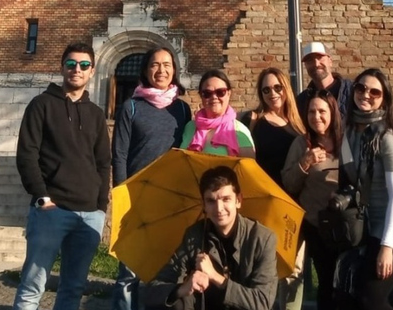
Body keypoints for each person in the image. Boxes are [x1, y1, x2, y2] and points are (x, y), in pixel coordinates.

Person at [13, 42, 111, 310]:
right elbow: (27, 155)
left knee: (74, 288)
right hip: (51, 209)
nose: (76, 70)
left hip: (89, 214)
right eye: (70, 64)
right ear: (62, 68)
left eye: (83, 65)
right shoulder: (41, 105)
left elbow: (103, 162)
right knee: (33, 283)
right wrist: (42, 197)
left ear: (92, 71)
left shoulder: (96, 114)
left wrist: (101, 207)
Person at [111, 47, 192, 310]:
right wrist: (122, 193)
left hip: (170, 198)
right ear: (146, 70)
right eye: (155, 65)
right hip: (136, 196)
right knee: (129, 271)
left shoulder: (182, 110)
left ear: (174, 70)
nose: (161, 70)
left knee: (167, 269)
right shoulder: (131, 106)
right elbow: (120, 153)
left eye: (167, 65)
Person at [147, 166, 278, 310]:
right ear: (204, 205)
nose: (219, 208)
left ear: (238, 200)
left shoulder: (262, 238)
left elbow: (262, 302)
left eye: (226, 199)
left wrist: (215, 277)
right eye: (211, 201)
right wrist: (183, 288)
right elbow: (153, 290)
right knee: (176, 301)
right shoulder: (195, 236)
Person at [341, 68, 393, 310]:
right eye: (361, 88)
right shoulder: (349, 131)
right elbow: (350, 175)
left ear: (384, 98)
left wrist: (386, 248)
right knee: (380, 297)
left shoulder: (388, 138)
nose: (366, 94)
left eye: (375, 91)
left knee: (368, 299)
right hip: (367, 228)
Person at [241, 67, 306, 310]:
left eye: (277, 87)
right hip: (263, 205)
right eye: (266, 89)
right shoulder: (253, 120)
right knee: (261, 268)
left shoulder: (299, 125)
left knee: (293, 269)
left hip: (293, 205)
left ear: (286, 89)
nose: (272, 93)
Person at [281, 91, 342, 310]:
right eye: (311, 112)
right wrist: (304, 163)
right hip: (317, 224)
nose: (316, 117)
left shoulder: (347, 140)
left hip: (347, 224)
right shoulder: (301, 143)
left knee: (346, 281)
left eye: (322, 111)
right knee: (326, 282)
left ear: (333, 113)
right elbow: (289, 183)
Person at [180, 69, 255, 158]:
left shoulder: (239, 130)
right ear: (201, 96)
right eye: (207, 93)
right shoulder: (190, 127)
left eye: (220, 92)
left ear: (229, 93)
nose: (214, 97)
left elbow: (247, 168)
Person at [295, 42, 352, 123]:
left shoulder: (351, 92)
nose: (316, 64)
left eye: (320, 58)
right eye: (310, 60)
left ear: (330, 61)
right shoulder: (302, 101)